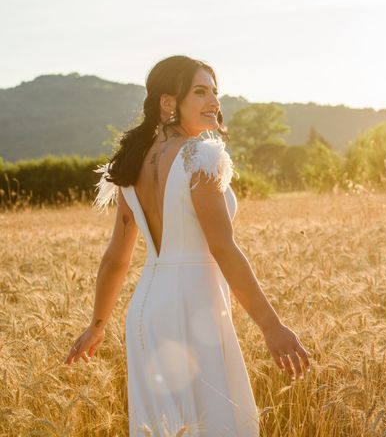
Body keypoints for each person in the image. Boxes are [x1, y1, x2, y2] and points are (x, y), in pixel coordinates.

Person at [63, 55, 312, 436]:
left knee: (164, 427)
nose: (214, 101)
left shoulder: (130, 166)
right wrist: (272, 326)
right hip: (194, 307)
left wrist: (97, 325)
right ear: (168, 103)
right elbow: (223, 248)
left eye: (215, 92)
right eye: (200, 92)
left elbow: (117, 257)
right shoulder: (201, 156)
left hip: (147, 312)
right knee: (218, 424)